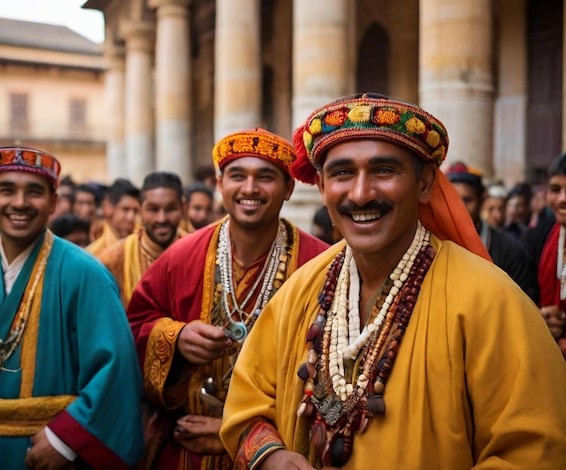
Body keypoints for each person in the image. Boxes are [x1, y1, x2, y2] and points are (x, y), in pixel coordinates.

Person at [220, 93, 566, 469]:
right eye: (342, 173)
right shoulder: (300, 291)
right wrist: (270, 456)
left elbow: (535, 451)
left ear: (425, 183)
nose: (361, 193)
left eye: (384, 171)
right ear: (321, 188)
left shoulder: (490, 300)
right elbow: (247, 403)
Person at [127, 128, 330, 469]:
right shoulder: (181, 256)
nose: (249, 189)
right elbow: (134, 326)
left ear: (289, 188)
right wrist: (174, 339)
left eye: (265, 177)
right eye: (237, 176)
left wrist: (233, 431)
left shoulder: (318, 263)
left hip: (279, 450)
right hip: (187, 449)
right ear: (220, 185)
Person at [0, 147, 144, 469]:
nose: (19, 203)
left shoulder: (86, 274)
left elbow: (116, 370)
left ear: (52, 201)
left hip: (50, 450)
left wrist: (66, 439)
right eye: (6, 190)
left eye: (34, 192)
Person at [446, 162, 538, 302]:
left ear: (483, 199)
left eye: (467, 200)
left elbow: (524, 306)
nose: (459, 207)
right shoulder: (436, 246)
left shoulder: (511, 251)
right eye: (452, 200)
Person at [99, 171, 188, 309]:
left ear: (183, 208)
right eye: (153, 209)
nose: (162, 218)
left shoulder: (199, 253)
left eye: (170, 209)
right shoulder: (113, 260)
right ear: (140, 210)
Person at [523, 152, 566, 358]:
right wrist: (539, 317)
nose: (562, 199)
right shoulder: (536, 237)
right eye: (555, 190)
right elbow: (523, 292)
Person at [86, 178, 140, 257]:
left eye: (135, 211)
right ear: (108, 207)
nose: (131, 217)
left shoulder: (143, 244)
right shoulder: (95, 253)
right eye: (125, 209)